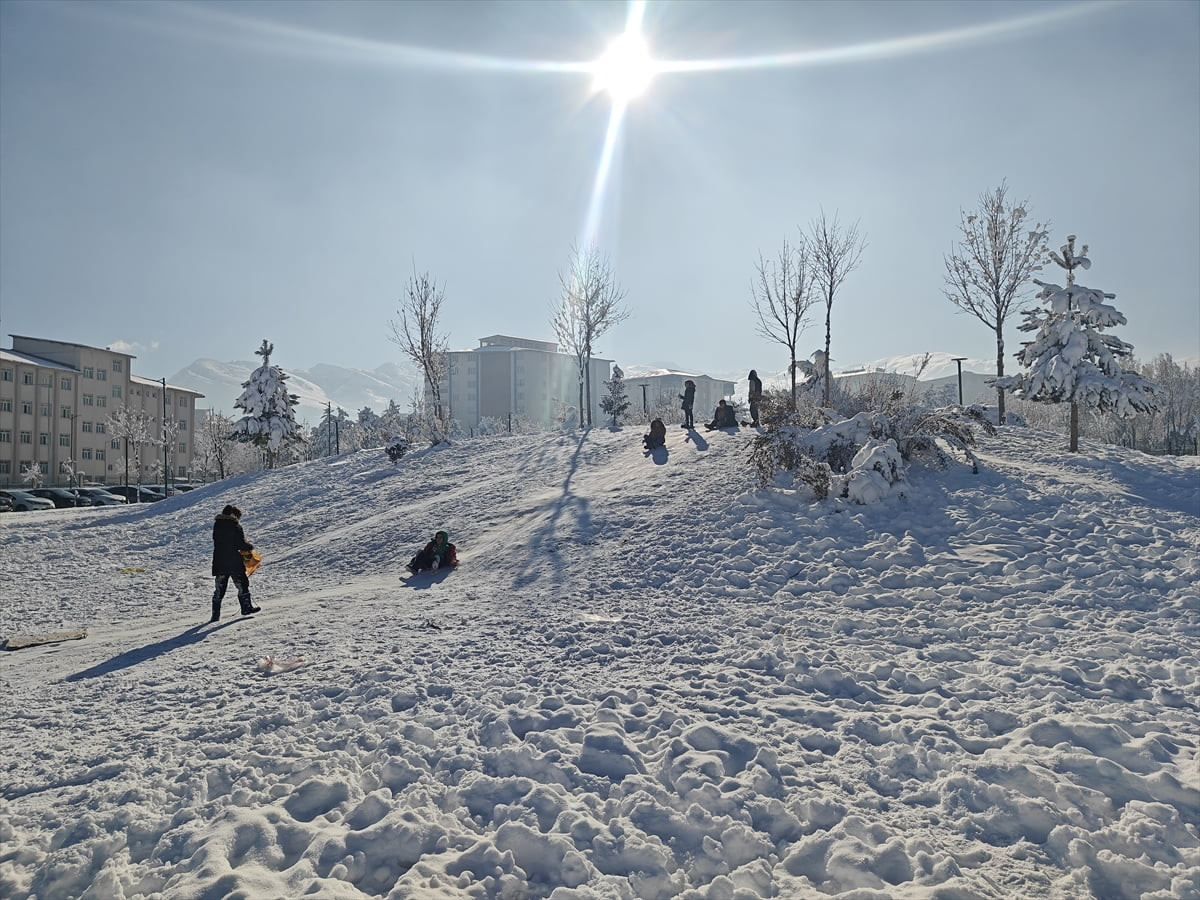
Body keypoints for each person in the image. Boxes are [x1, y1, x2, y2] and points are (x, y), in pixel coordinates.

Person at [211, 504, 259, 622]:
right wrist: (249, 546)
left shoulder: (217, 525)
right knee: (242, 584)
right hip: (234, 561)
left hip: (220, 561)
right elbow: (240, 544)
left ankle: (215, 615)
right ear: (234, 515)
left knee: (220, 588)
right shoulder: (235, 526)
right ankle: (246, 608)